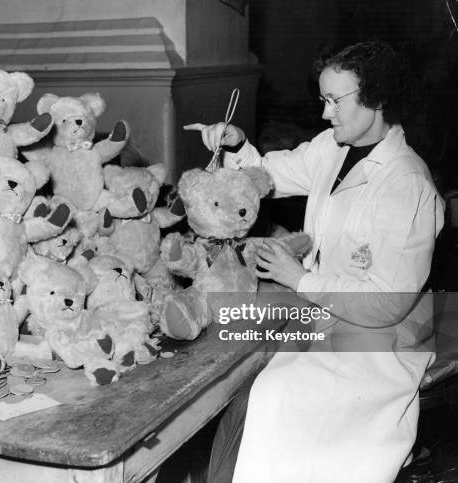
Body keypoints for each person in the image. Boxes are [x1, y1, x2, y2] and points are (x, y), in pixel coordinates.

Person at [185, 41, 445, 482]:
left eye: (335, 101)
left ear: (378, 97)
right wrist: (238, 143)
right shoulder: (333, 147)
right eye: (323, 100)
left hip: (377, 336)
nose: (326, 113)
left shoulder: (407, 184)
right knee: (234, 366)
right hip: (321, 311)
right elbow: (269, 175)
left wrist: (300, 279)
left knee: (274, 394)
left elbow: (389, 303)